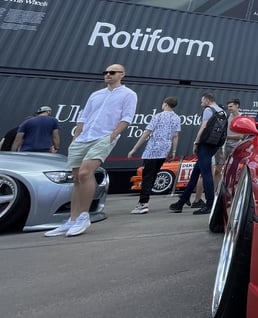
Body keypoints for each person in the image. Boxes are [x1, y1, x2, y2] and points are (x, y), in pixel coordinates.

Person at [45, 64, 137, 237]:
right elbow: (84, 116)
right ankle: (72, 219)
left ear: (122, 74)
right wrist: (76, 137)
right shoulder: (96, 94)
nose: (108, 75)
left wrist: (113, 136)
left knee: (85, 173)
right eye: (105, 72)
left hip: (104, 137)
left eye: (112, 72)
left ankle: (84, 216)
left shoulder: (129, 94)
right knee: (76, 179)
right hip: (83, 138)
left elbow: (127, 118)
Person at [169, 92, 224, 215]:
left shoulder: (208, 110)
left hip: (205, 145)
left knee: (206, 174)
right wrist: (219, 149)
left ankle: (209, 204)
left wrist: (196, 142)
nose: (201, 103)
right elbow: (222, 133)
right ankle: (181, 202)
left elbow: (203, 127)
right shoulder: (222, 111)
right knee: (195, 174)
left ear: (207, 100)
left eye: (202, 101)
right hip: (214, 145)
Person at [127, 96, 181, 214]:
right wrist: (173, 152)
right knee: (153, 175)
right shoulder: (177, 118)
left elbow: (147, 133)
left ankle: (143, 203)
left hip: (152, 150)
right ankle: (144, 201)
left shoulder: (158, 116)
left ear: (165, 104)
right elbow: (176, 135)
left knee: (147, 176)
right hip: (164, 151)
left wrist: (134, 149)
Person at [213, 99, 243, 187]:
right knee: (217, 170)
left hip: (234, 148)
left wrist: (226, 137)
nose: (229, 108)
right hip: (223, 147)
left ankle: (227, 190)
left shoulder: (242, 118)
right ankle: (215, 192)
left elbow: (241, 136)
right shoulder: (227, 117)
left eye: (231, 106)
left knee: (231, 171)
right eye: (228, 107)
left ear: (237, 106)